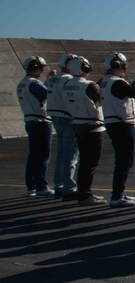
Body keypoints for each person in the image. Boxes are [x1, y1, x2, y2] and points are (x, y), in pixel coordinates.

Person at [100, 52, 135, 207]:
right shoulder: (117, 83)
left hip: (112, 122)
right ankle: (117, 195)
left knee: (122, 160)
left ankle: (118, 193)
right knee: (124, 160)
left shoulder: (105, 82)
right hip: (122, 124)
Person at [62, 56, 106, 205]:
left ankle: (83, 193)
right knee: (91, 162)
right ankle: (85, 194)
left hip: (77, 123)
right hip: (92, 125)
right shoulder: (89, 85)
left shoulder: (67, 84)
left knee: (84, 162)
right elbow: (100, 99)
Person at [17, 56, 55, 198]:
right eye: (41, 67)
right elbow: (48, 95)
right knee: (43, 156)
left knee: (33, 155)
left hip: (30, 121)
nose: (43, 69)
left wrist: (46, 81)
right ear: (35, 67)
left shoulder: (23, 83)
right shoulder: (34, 83)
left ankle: (31, 186)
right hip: (41, 122)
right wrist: (52, 84)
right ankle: (41, 187)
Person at [46, 54, 79, 199]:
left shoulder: (55, 79)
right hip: (67, 117)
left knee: (61, 154)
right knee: (71, 155)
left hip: (55, 116)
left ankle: (58, 184)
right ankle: (69, 186)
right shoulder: (68, 80)